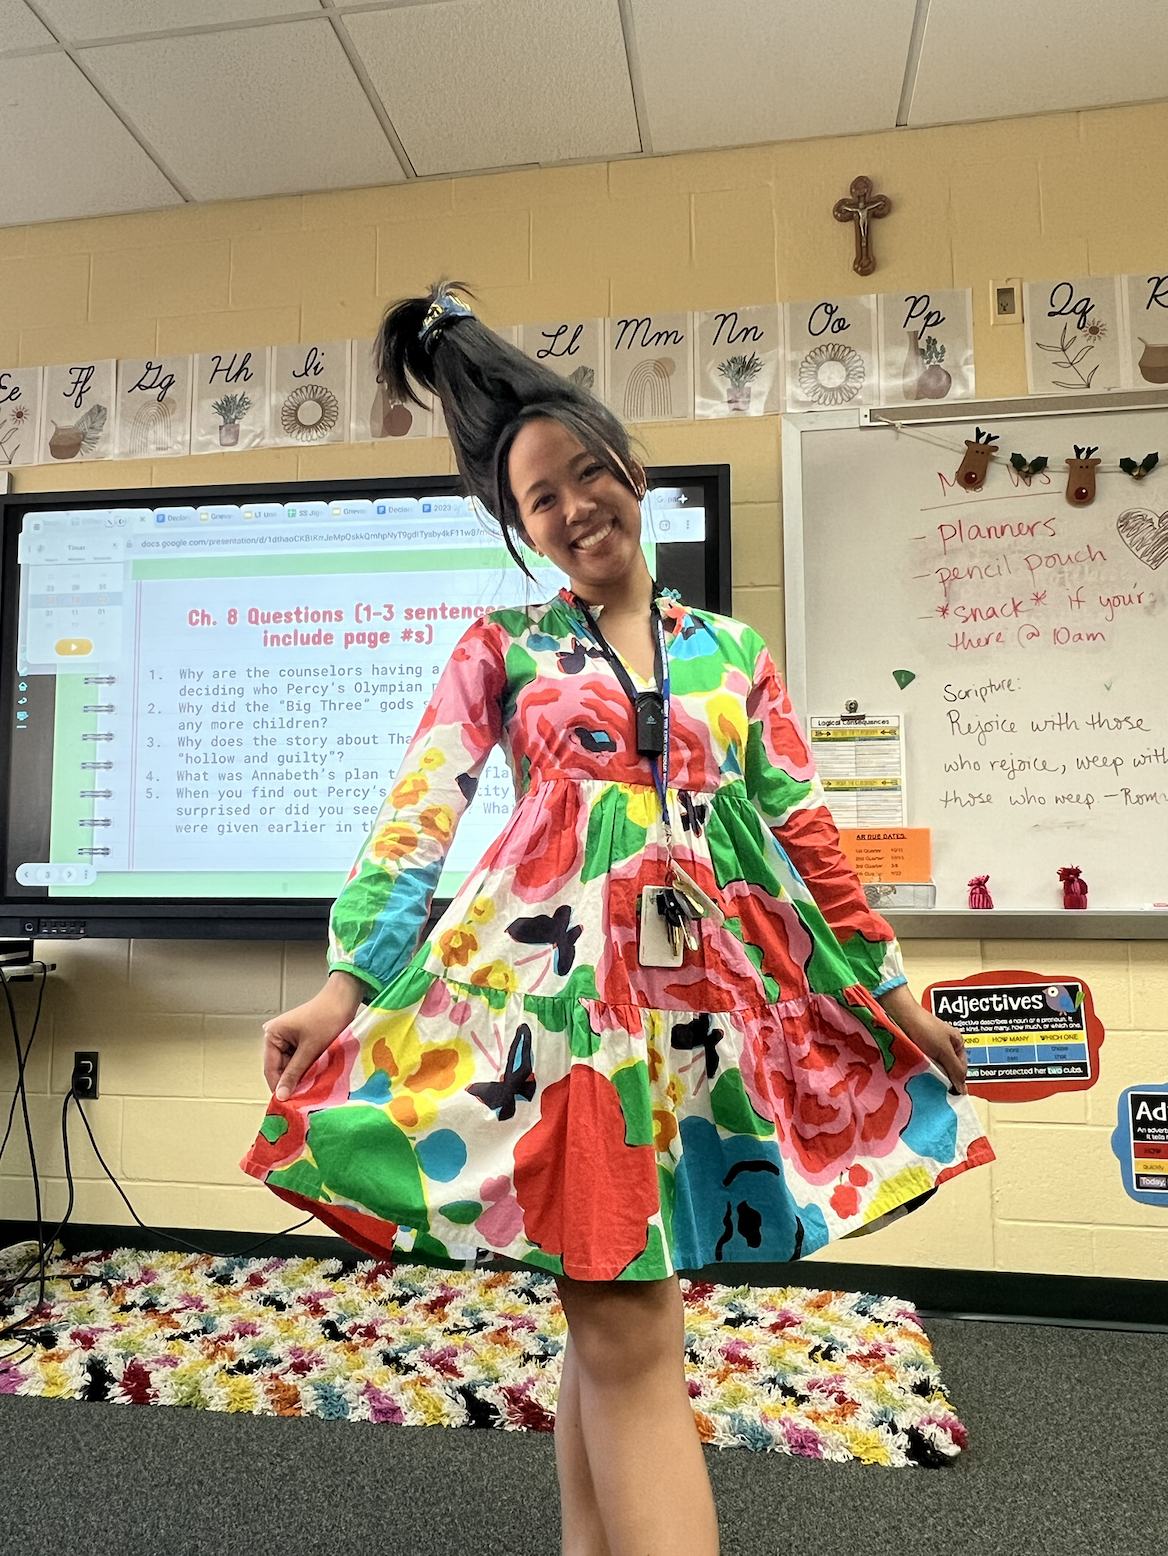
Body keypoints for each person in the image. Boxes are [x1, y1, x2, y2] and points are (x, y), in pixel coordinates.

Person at [242, 283, 992, 1556]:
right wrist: (342, 986)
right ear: (519, 526)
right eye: (543, 496)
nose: (577, 504)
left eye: (591, 472)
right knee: (631, 1327)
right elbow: (418, 815)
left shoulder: (732, 653)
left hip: (703, 1022)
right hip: (565, 1025)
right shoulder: (503, 644)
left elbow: (808, 836)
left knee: (617, 1322)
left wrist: (893, 989)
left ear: (633, 470)